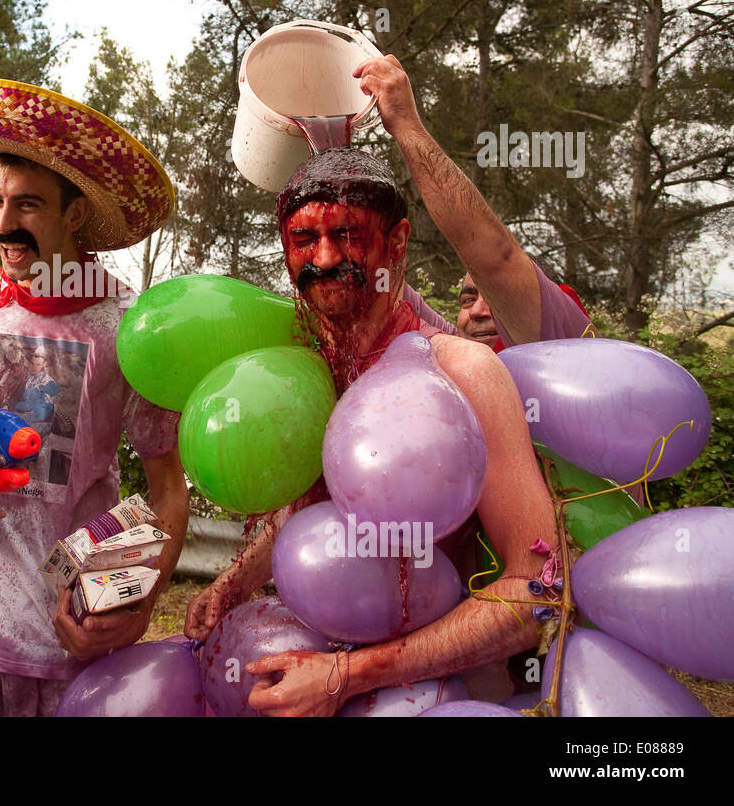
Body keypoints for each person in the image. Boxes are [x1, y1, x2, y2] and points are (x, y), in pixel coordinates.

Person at [187, 146, 559, 716]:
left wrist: (348, 675)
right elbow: (319, 518)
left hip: (426, 687)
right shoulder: (302, 372)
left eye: (347, 234)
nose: (326, 257)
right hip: (303, 661)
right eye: (304, 240)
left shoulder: (461, 373)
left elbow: (539, 591)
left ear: (398, 241)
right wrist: (235, 583)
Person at [0, 79, 189, 716]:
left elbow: (165, 491)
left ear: (75, 214)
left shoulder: (130, 328)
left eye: (26, 205)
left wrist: (133, 601)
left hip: (69, 642)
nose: (2, 224)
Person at [351, 55, 596, 350]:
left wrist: (405, 123)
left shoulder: (563, 340)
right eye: (468, 299)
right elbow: (384, 281)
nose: (477, 312)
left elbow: (495, 259)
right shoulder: (464, 351)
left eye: (495, 299)